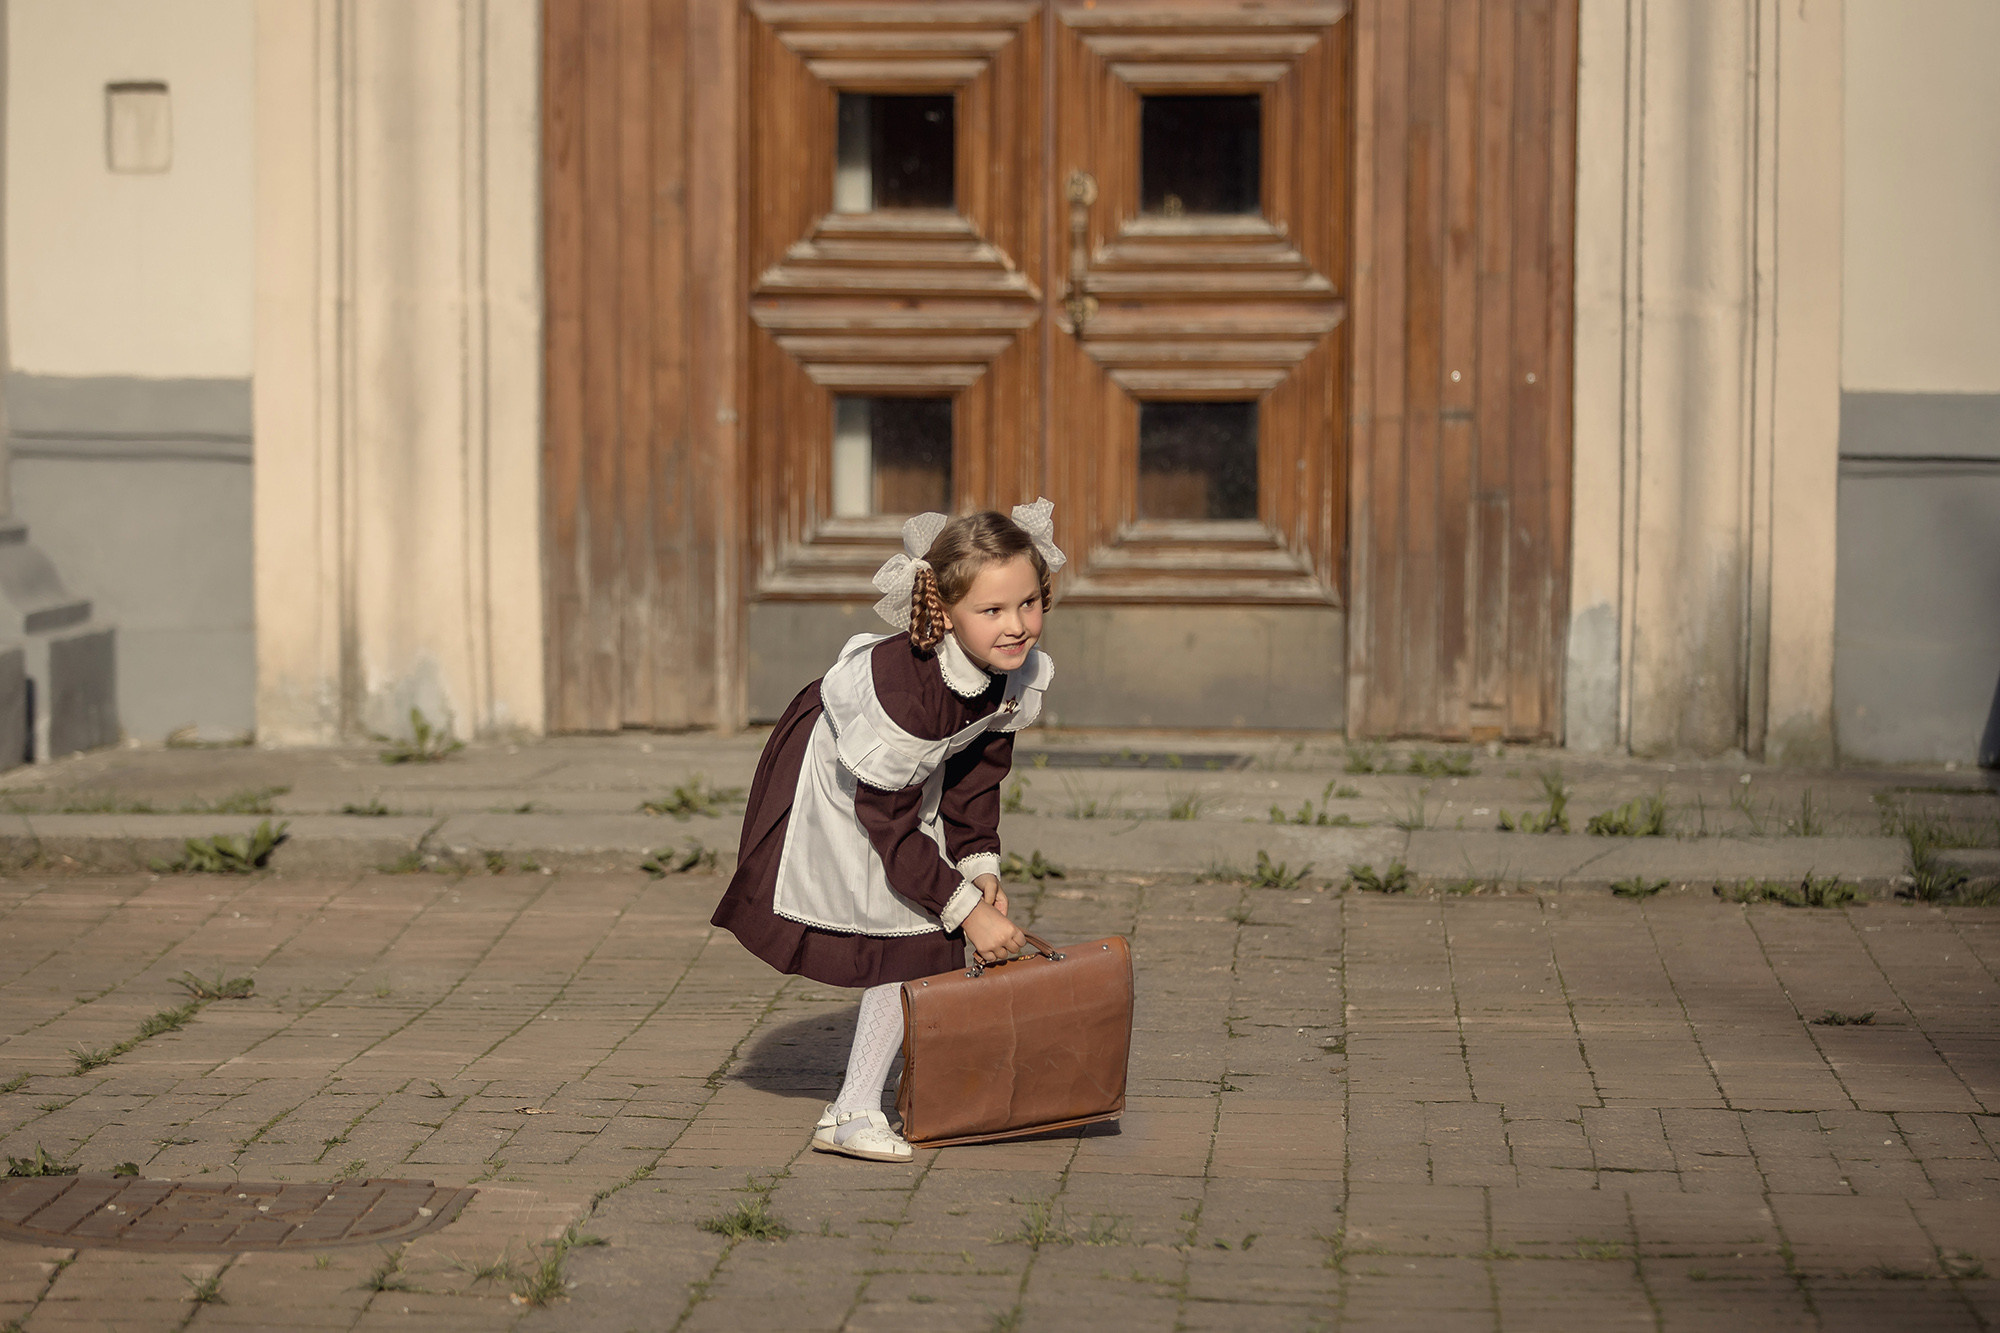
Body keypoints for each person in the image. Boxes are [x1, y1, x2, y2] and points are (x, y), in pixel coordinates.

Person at [710, 500, 1063, 1162]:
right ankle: (853, 1110)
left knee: (922, 924)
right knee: (916, 925)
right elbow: (888, 818)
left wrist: (978, 865)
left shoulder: (1013, 672)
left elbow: (976, 775)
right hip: (847, 780)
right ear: (946, 611)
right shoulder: (906, 693)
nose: (1017, 626)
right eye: (992, 611)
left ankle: (853, 1104)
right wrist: (964, 910)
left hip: (905, 784)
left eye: (1029, 603)